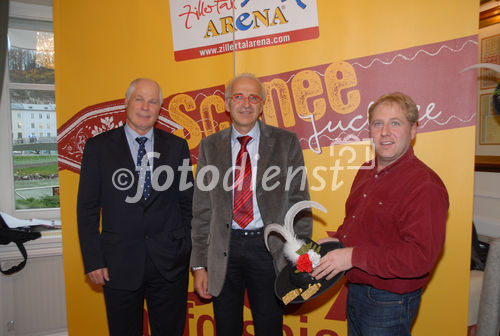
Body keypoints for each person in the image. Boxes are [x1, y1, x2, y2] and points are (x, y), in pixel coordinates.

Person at [312, 92, 449, 336]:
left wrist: (352, 256)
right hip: (356, 290)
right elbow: (358, 223)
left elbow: (418, 258)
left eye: (395, 123)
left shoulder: (424, 184)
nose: (385, 132)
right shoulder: (366, 169)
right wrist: (339, 243)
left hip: (389, 303)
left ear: (414, 129)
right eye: (378, 123)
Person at [190, 73, 312, 336]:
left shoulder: (285, 142)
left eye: (253, 97)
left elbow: (299, 203)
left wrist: (298, 255)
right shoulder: (210, 146)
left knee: (270, 328)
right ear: (226, 104)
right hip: (224, 249)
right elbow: (201, 210)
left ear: (261, 104)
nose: (246, 103)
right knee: (226, 329)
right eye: (239, 96)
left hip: (270, 250)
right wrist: (199, 265)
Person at [77, 78, 193, 336]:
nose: (145, 107)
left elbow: (188, 204)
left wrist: (183, 247)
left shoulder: (177, 147)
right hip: (117, 264)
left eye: (153, 101)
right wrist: (93, 260)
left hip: (169, 264)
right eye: (139, 99)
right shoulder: (97, 148)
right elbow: (87, 209)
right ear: (126, 102)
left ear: (159, 108)